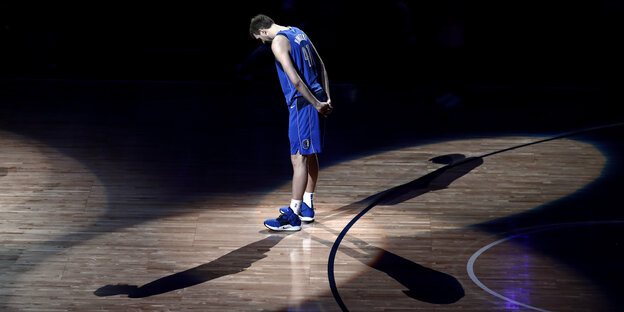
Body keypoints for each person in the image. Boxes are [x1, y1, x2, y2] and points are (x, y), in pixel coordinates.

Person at [249, 14, 333, 231]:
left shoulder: (278, 41)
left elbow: (295, 80)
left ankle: (293, 216)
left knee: (298, 158)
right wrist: (327, 98)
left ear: (263, 31)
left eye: (259, 39)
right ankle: (307, 205)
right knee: (309, 153)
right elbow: (321, 64)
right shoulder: (298, 32)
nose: (262, 43)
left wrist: (314, 104)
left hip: (303, 104)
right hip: (318, 96)